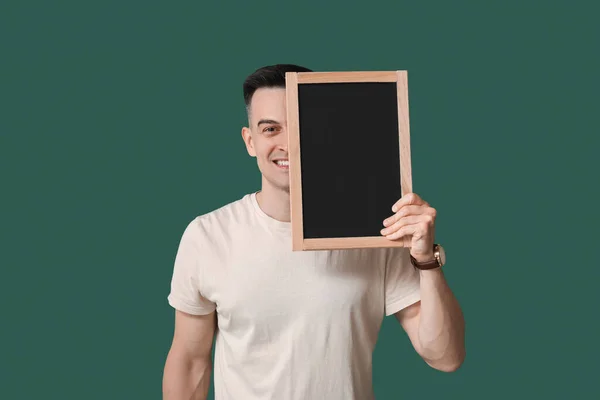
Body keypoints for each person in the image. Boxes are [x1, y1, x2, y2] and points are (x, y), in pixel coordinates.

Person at [162, 64, 465, 400]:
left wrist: (426, 260)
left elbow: (445, 357)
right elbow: (190, 362)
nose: (288, 145)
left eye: (301, 127)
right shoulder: (208, 236)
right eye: (271, 129)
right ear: (250, 141)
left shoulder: (378, 234)